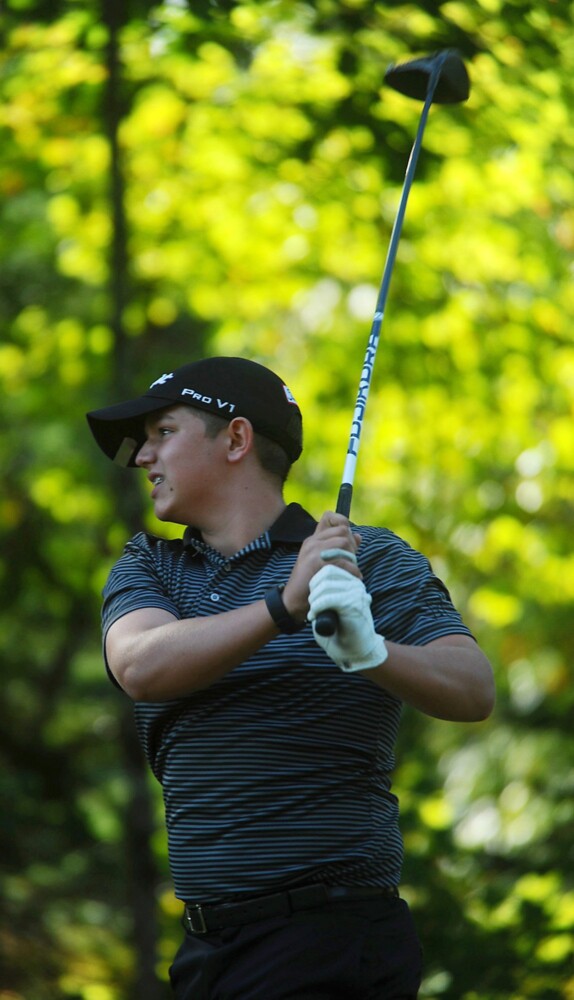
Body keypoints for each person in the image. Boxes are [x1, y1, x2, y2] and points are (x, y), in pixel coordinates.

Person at [87, 356, 495, 1000]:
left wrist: (371, 650)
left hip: (333, 938)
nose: (143, 456)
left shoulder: (369, 558)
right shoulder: (150, 566)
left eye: (163, 431)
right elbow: (140, 665)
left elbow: (473, 688)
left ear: (237, 439)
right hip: (208, 951)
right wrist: (284, 606)